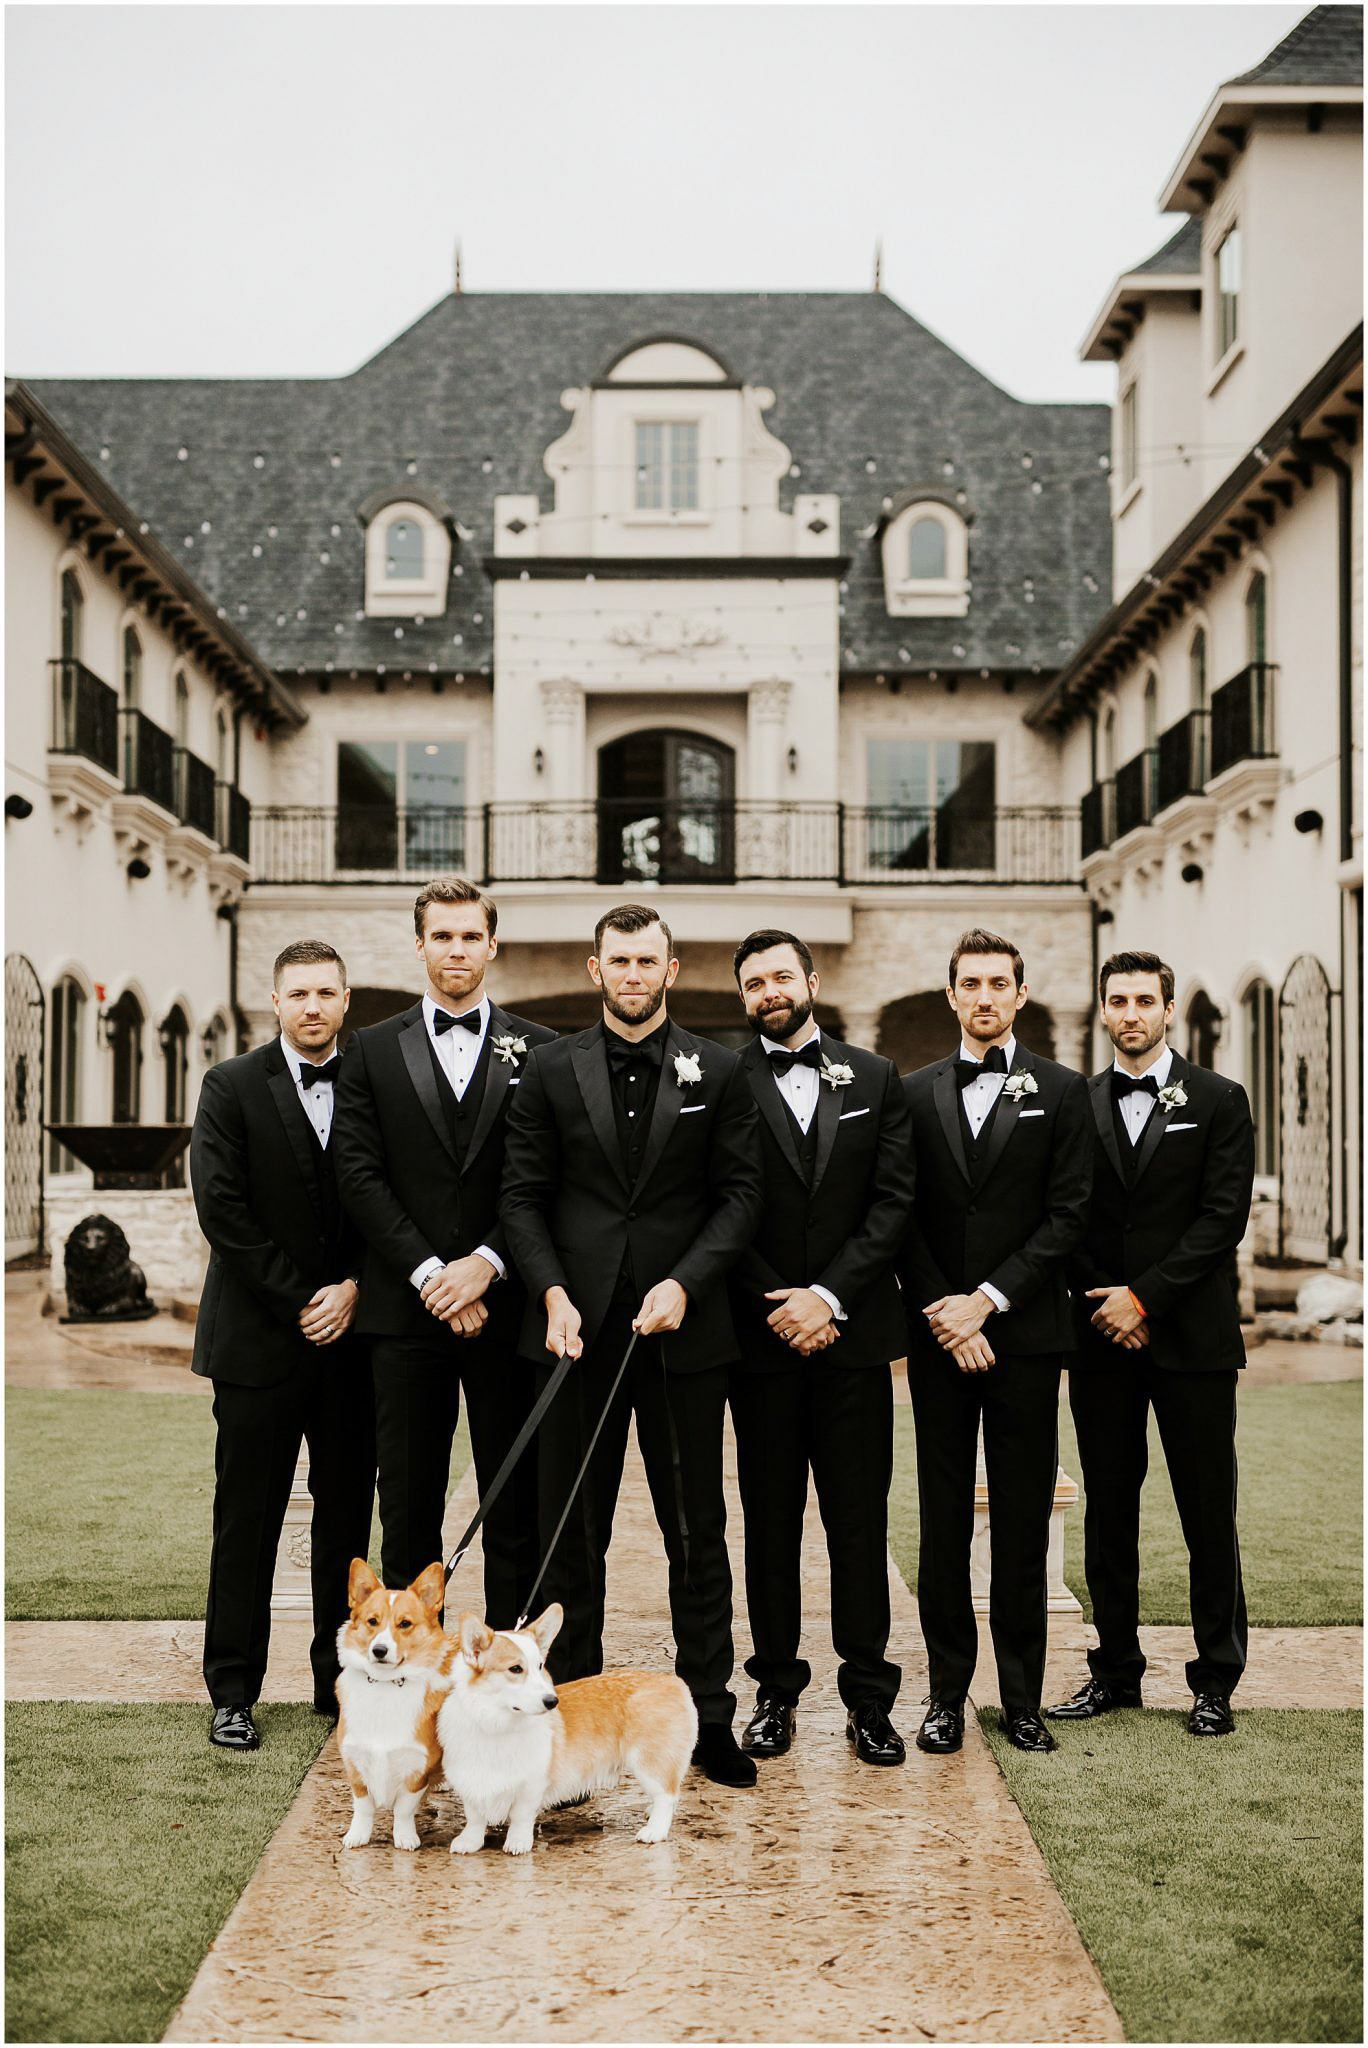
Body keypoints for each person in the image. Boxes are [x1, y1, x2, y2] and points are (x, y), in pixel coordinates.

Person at [500, 904, 764, 1788]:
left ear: (672, 968)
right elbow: (522, 1196)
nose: (634, 973)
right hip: (576, 1337)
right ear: (595, 967)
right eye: (620, 960)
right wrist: (551, 1293)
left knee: (698, 1532)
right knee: (572, 1536)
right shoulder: (545, 1069)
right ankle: (567, 1717)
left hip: (683, 1334)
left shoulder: (721, 1070)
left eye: (648, 960)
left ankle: (711, 1718)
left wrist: (687, 1280)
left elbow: (739, 1195)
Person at [333, 878, 555, 1623]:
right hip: (405, 1314)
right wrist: (433, 1276)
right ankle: (410, 1674)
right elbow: (357, 1174)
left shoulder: (543, 1051)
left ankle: (510, 1661)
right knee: (407, 1503)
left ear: (493, 945)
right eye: (442, 936)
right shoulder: (367, 1048)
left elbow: (547, 1178)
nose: (456, 950)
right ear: (419, 944)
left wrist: (485, 1265)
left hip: (506, 1308)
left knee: (515, 1499)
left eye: (470, 936)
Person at [1047, 950, 1255, 1738]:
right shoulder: (1075, 1102)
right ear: (1102, 1011)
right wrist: (1106, 1299)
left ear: (1169, 1010)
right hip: (1101, 1338)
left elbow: (1221, 1218)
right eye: (1118, 1001)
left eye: (1145, 1000)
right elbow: (1065, 1214)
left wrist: (1147, 1297)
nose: (1131, 1013)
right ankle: (1115, 1672)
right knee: (1110, 1513)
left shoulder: (1219, 1099)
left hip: (1194, 1341)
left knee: (1208, 1510)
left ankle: (1215, 1679)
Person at [898, 928, 1091, 1756]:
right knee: (942, 1519)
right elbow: (896, 1213)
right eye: (969, 983)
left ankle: (1021, 1701)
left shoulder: (1065, 1090)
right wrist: (947, 1310)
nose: (983, 997)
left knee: (1020, 1520)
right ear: (951, 995)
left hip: (1025, 1337)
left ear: (1020, 996)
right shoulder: (910, 1094)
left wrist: (987, 1301)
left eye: (998, 984)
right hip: (939, 1340)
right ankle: (945, 1696)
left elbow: (1069, 1214)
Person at [726, 928, 915, 1766]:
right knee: (769, 1525)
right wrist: (783, 1301)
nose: (769, 991)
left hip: (853, 1338)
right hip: (761, 1340)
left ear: (810, 979)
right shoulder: (723, 1080)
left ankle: (869, 1697)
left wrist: (829, 1296)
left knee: (856, 1522)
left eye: (780, 976)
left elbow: (893, 1204)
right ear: (743, 998)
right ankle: (773, 1692)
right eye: (753, 983)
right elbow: (717, 1206)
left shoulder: (875, 1077)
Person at [191, 940, 375, 1751]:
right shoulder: (229, 1086)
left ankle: (337, 1686)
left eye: (326, 993)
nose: (311, 1006)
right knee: (247, 1522)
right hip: (258, 1345)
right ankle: (232, 1690)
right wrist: (304, 1297)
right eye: (297, 993)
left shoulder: (373, 1079)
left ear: (345, 1002)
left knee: (345, 1526)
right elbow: (222, 1209)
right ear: (274, 1001)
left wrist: (357, 1286)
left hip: (356, 1344)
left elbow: (398, 1198)